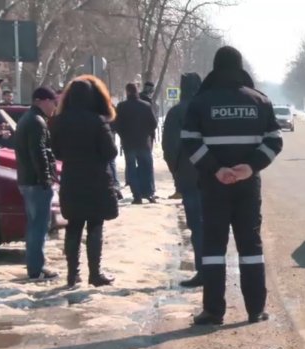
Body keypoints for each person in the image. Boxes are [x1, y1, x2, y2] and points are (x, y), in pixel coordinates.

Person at [181, 46, 283, 325]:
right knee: (250, 246)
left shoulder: (201, 103)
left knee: (213, 247)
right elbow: (275, 140)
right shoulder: (260, 101)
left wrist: (216, 170)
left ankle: (214, 311)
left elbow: (190, 140)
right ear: (240, 69)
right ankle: (256, 309)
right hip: (247, 187)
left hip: (214, 187)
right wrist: (250, 167)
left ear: (215, 68)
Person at [51, 75, 119, 288]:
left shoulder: (59, 120)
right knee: (95, 225)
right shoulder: (97, 121)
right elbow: (111, 151)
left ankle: (72, 275)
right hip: (96, 179)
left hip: (71, 179)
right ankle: (95, 273)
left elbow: (55, 151)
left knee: (73, 226)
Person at [162, 73, 204, 287]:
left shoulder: (177, 112)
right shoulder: (209, 108)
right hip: (212, 176)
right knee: (213, 225)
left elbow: (170, 147)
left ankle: (203, 271)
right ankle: (216, 269)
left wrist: (176, 172)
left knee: (197, 226)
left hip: (188, 177)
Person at [14, 86, 60, 281]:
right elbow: (39, 152)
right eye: (53, 103)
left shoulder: (28, 119)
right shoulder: (37, 122)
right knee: (39, 225)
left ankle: (34, 265)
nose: (54, 108)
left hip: (27, 180)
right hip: (36, 182)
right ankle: (36, 269)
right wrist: (46, 177)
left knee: (34, 224)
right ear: (42, 100)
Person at [114, 83, 158, 204]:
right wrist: (146, 134)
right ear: (137, 91)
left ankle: (137, 196)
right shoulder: (146, 106)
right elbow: (153, 124)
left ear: (127, 92)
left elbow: (116, 125)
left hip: (129, 144)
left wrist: (123, 135)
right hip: (144, 142)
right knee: (146, 168)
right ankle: (149, 193)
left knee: (132, 169)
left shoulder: (122, 107)